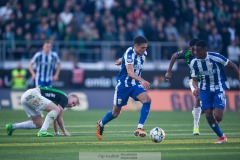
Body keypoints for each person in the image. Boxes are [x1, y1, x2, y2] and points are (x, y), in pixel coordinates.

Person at [96, 36, 151, 140]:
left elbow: (127, 58)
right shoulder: (129, 54)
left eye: (145, 48)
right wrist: (142, 80)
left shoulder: (142, 53)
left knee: (147, 99)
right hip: (123, 85)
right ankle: (101, 123)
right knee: (115, 113)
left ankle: (139, 128)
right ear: (135, 46)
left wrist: (122, 60)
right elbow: (130, 73)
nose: (144, 50)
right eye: (142, 48)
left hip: (135, 85)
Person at [189, 40, 239, 144]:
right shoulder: (194, 62)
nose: (195, 53)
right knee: (208, 114)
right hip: (204, 90)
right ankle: (222, 137)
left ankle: (214, 122)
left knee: (218, 116)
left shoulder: (215, 57)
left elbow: (233, 65)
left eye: (198, 51)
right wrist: (195, 87)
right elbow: (194, 79)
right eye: (194, 51)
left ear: (204, 50)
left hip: (218, 88)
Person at [6, 87, 80, 137]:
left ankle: (12, 127)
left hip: (25, 97)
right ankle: (42, 131)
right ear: (70, 97)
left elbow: (55, 117)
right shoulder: (65, 98)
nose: (72, 105)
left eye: (74, 105)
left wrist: (57, 133)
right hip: (33, 94)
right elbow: (59, 118)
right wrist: (64, 131)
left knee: (38, 124)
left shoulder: (59, 100)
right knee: (57, 109)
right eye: (73, 102)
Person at [164, 38, 202, 135]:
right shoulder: (187, 54)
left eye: (197, 49)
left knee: (207, 106)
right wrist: (169, 71)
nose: (195, 51)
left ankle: (197, 111)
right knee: (198, 97)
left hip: (205, 80)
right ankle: (196, 128)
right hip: (193, 79)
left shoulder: (203, 55)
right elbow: (174, 56)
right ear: (190, 48)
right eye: (193, 49)